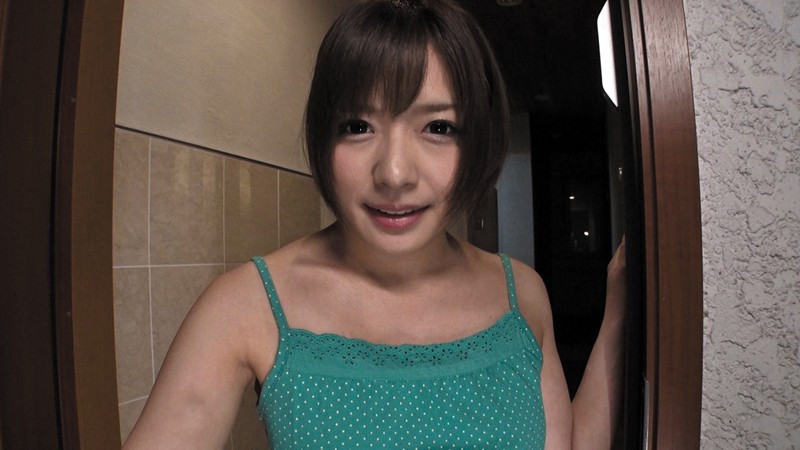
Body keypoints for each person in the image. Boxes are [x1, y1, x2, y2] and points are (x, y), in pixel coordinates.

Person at [123, 0, 626, 448]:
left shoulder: (523, 295)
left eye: (438, 127)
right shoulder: (246, 306)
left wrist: (618, 316)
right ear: (324, 137)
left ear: (477, 141)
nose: (394, 173)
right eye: (358, 126)